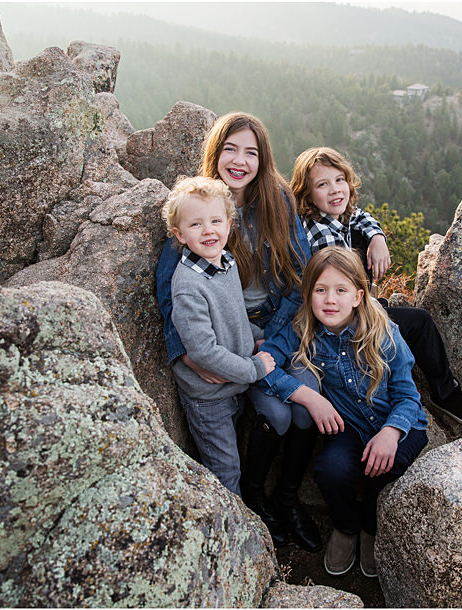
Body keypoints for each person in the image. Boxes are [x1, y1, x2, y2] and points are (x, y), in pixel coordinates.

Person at [156, 112, 323, 552]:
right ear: (215, 153)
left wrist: (279, 339)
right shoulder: (199, 203)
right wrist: (185, 353)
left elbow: (299, 277)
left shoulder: (277, 200)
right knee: (280, 413)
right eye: (230, 149)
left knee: (305, 412)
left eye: (250, 151)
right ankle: (253, 497)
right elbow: (171, 285)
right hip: (228, 337)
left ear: (262, 159)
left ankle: (286, 498)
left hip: (274, 326)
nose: (240, 160)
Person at [290, 146, 462, 429]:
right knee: (419, 323)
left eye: (339, 180)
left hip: (353, 306)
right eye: (322, 184)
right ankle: (445, 393)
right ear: (307, 194)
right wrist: (372, 304)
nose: (335, 190)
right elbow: (337, 293)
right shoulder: (320, 234)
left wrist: (377, 236)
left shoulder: (335, 216)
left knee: (402, 317)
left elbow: (358, 215)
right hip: (339, 324)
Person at [258, 247, 429, 578]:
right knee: (331, 470)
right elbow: (266, 364)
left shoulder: (383, 332)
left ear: (358, 296)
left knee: (384, 469)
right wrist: (307, 395)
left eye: (340, 290)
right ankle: (347, 525)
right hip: (348, 424)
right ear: (308, 295)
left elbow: (408, 395)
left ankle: (370, 526)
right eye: (320, 290)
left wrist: (391, 432)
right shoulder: (301, 330)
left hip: (396, 422)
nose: (330, 300)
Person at [159, 176, 276, 495]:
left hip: (234, 382)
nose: (208, 230)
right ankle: (234, 534)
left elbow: (234, 313)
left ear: (229, 223)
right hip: (208, 397)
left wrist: (255, 335)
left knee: (235, 452)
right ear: (179, 234)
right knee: (225, 469)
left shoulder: (227, 262)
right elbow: (204, 353)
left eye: (215, 220)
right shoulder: (188, 287)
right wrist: (254, 368)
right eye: (196, 224)